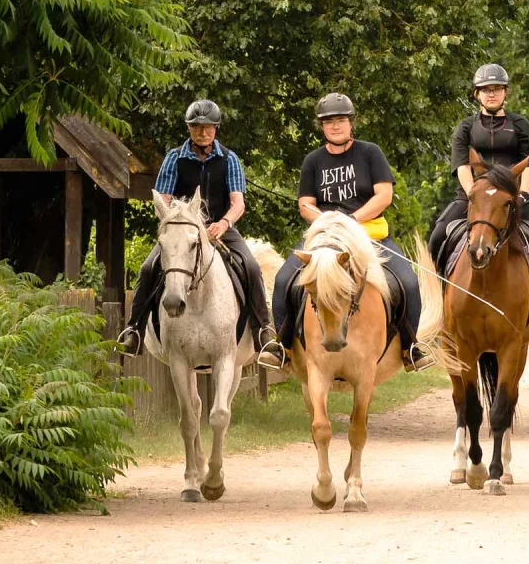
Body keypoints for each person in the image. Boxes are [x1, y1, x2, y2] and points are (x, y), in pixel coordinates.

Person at [117, 99, 286, 368]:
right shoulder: (174, 157)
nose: (203, 132)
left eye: (208, 128)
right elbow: (162, 199)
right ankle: (134, 330)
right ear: (189, 129)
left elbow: (238, 202)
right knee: (148, 268)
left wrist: (223, 224)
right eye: (197, 127)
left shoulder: (229, 159)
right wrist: (175, 222)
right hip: (182, 232)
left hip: (220, 229)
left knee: (252, 268)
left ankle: (264, 334)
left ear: (216, 129)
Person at [272, 93, 431, 372]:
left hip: (369, 235)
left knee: (407, 282)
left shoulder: (370, 153)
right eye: (329, 121)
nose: (335, 126)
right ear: (321, 126)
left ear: (351, 123)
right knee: (284, 279)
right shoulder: (313, 160)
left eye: (341, 120)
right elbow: (305, 204)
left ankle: (411, 348)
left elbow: (384, 195)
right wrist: (327, 221)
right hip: (325, 238)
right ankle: (281, 347)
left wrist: (350, 220)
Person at [426, 63, 529, 326]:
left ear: (506, 92)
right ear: (476, 95)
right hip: (473, 197)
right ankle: (435, 299)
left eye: (496, 89)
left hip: (513, 199)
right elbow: (461, 165)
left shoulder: (521, 126)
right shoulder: (466, 127)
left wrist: (522, 195)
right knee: (437, 236)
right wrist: (474, 194)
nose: (491, 94)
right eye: (485, 90)